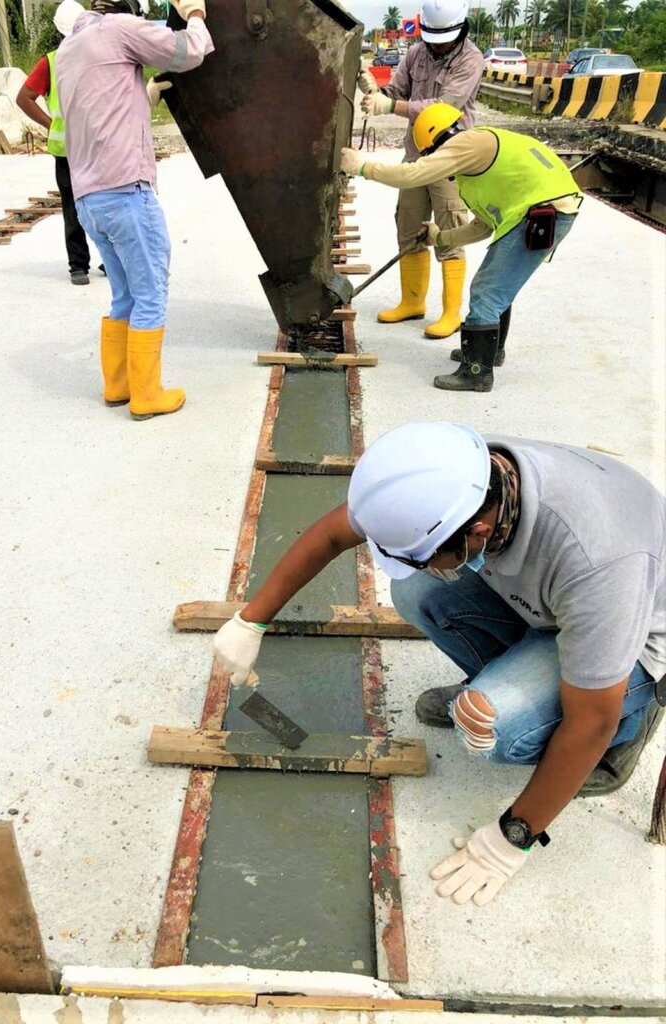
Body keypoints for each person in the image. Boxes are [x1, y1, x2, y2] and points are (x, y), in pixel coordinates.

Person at [212, 421, 665, 907]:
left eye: (423, 554)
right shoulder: (449, 479)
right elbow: (331, 535)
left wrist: (513, 837)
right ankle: (516, 679)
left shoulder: (596, 565)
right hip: (559, 606)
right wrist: (251, 621)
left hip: (636, 641)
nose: (417, 562)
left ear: (477, 533)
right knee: (415, 588)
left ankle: (624, 736)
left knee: (497, 724)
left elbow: (590, 720)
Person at [340, 104, 582, 393]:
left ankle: (476, 372)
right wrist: (438, 238)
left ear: (436, 144)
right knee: (499, 287)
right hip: (543, 211)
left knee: (487, 291)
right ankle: (489, 353)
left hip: (542, 213)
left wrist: (361, 167)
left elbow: (412, 174)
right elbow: (481, 226)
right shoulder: (478, 165)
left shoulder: (468, 142)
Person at [56, 0, 214, 419]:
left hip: (89, 199)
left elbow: (102, 103)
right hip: (126, 191)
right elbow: (188, 51)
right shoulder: (119, 28)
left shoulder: (69, 49)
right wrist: (196, 15)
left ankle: (118, 385)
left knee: (124, 294)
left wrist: (144, 95)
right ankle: (147, 395)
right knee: (151, 293)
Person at [358, 0, 483, 339]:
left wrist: (390, 106)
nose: (437, 45)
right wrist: (373, 89)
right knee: (409, 227)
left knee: (450, 231)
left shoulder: (471, 59)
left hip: (450, 157)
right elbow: (395, 92)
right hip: (416, 155)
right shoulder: (416, 54)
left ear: (460, 30)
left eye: (444, 39)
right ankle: (412, 301)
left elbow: (443, 107)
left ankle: (451, 312)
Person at [16, 0, 93, 286]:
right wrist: (53, 125)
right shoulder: (93, 56)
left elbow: (24, 98)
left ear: (58, 29)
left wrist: (52, 125)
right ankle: (99, 262)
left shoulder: (52, 61)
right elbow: (24, 98)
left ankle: (81, 266)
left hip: (75, 148)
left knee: (77, 207)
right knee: (100, 204)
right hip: (89, 147)